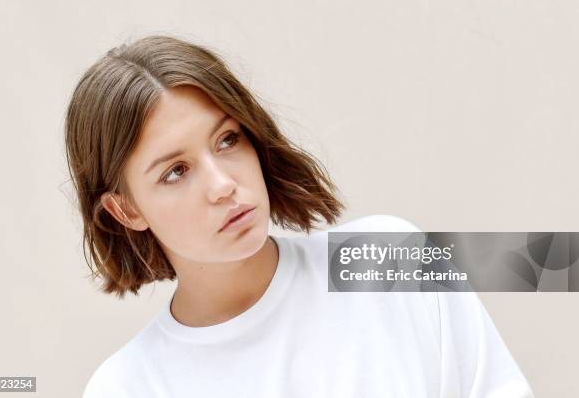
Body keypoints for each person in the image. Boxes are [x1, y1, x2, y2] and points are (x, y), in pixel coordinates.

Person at [64, 35, 535, 397]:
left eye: (228, 140)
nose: (222, 184)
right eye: (176, 171)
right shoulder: (128, 387)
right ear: (125, 209)